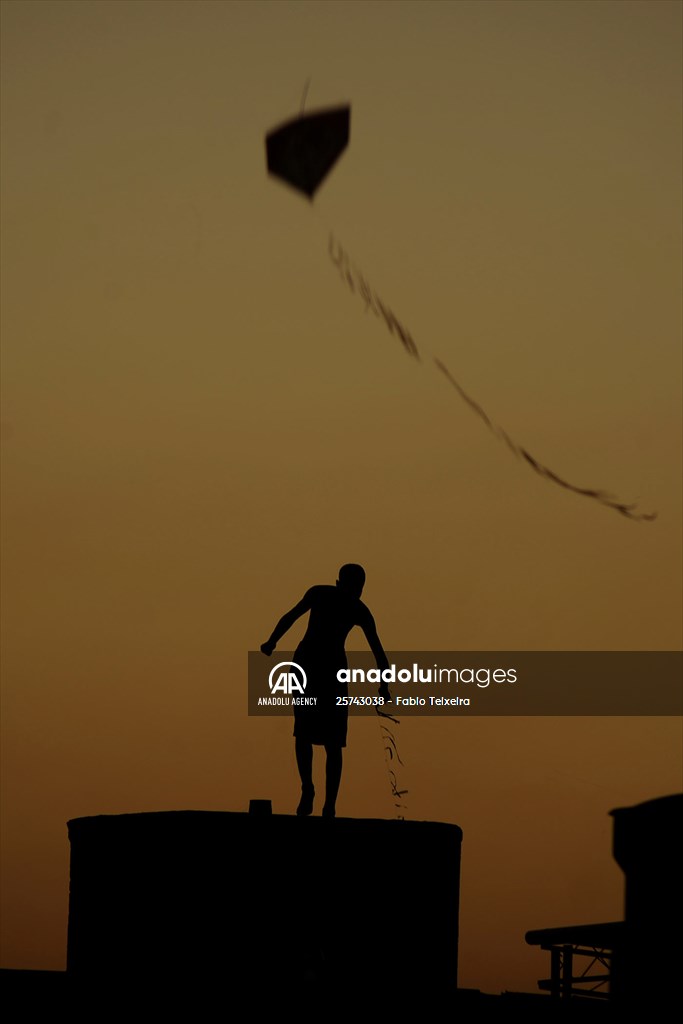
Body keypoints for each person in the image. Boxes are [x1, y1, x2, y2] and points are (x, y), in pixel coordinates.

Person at [260, 564, 391, 817]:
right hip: (312, 667)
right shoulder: (331, 598)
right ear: (342, 584)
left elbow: (378, 651)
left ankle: (326, 801)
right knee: (312, 734)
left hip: (323, 669)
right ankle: (312, 791)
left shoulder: (348, 605)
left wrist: (272, 641)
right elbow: (291, 616)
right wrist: (272, 640)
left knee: (325, 739)